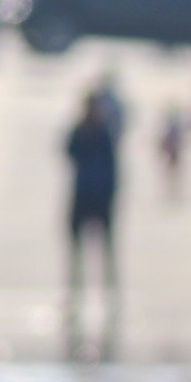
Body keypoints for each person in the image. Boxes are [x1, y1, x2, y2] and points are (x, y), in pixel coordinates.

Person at [65, 90, 119, 290]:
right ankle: (75, 279)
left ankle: (108, 281)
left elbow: (112, 166)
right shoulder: (79, 131)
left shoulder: (104, 133)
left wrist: (111, 192)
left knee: (106, 243)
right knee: (76, 241)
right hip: (82, 191)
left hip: (100, 194)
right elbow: (69, 151)